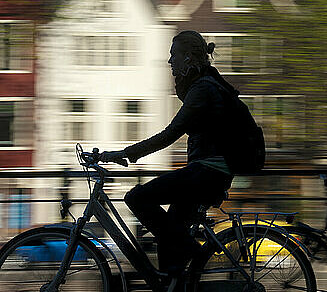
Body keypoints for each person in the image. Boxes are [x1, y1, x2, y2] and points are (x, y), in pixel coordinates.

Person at [100, 30, 236, 277]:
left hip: (207, 172)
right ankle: (173, 288)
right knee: (168, 237)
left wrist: (126, 153)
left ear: (188, 57)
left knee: (137, 198)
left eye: (174, 55)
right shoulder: (204, 84)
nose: (170, 61)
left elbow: (171, 133)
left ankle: (195, 251)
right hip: (207, 171)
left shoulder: (203, 89)